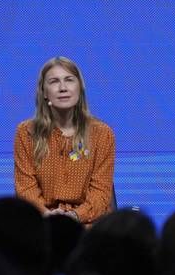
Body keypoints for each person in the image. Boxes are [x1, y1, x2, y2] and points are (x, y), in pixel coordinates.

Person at [13, 56, 116, 224]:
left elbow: (101, 193)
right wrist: (47, 215)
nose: (62, 88)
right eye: (54, 81)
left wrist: (75, 217)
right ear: (44, 92)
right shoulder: (26, 133)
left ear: (80, 88)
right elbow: (26, 189)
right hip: (42, 223)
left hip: (88, 224)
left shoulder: (102, 134)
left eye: (69, 80)